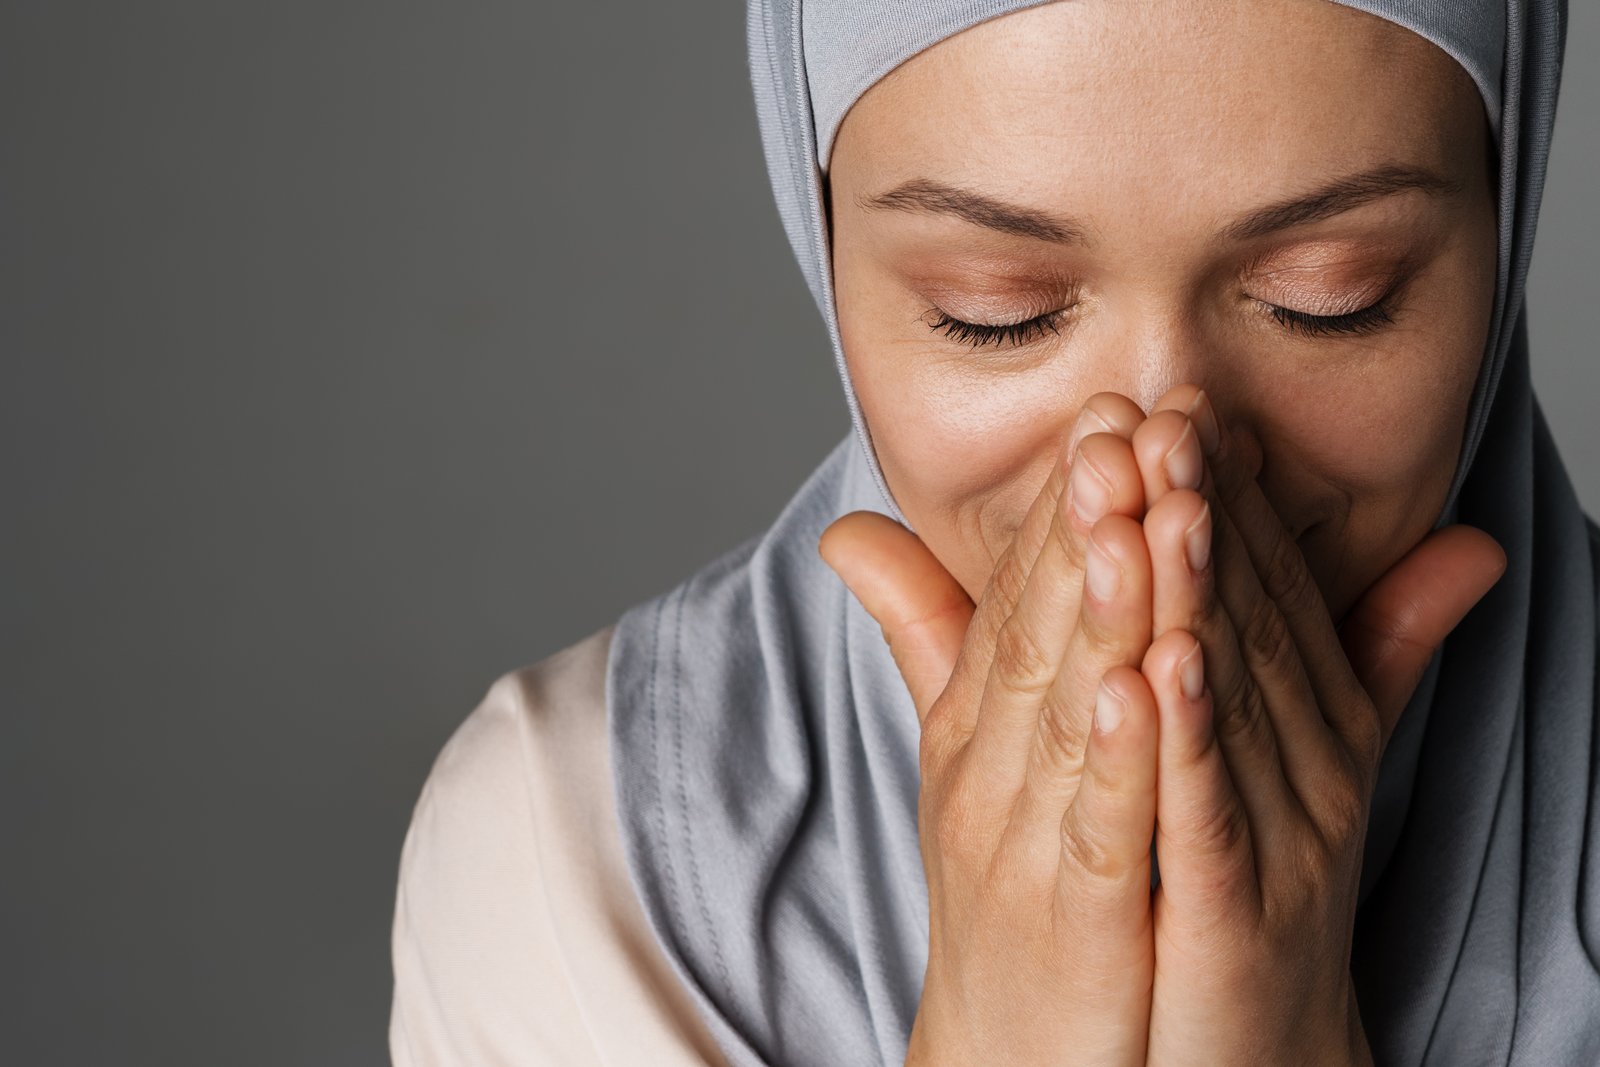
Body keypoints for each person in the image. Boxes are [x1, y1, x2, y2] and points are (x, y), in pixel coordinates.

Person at [390, 0, 1597, 1064]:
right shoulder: (575, 858)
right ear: (826, 251)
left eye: (1329, 297)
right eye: (993, 315)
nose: (1157, 455)